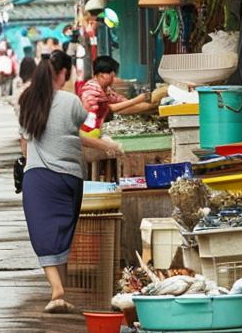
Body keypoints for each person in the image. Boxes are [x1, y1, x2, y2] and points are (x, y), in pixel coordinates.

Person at [18, 50, 118, 313]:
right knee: (63, 232)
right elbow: (82, 129)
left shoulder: (27, 100)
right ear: (63, 74)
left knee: (43, 235)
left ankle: (57, 289)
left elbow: (25, 143)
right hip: (69, 178)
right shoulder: (71, 101)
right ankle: (59, 291)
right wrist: (105, 144)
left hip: (37, 178)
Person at [79, 55, 150, 137]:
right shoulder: (91, 89)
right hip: (89, 131)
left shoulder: (106, 88)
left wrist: (149, 105)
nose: (114, 77)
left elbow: (119, 99)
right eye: (112, 74)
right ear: (102, 75)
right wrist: (137, 100)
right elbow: (109, 108)